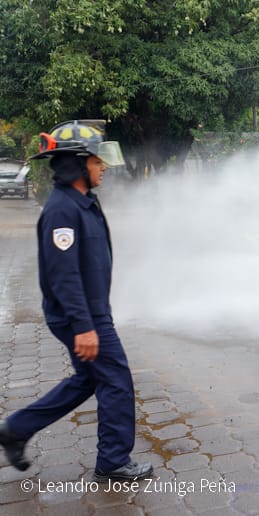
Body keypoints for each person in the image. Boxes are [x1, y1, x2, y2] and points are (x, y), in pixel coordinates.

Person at [0, 120, 153, 481]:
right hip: (81, 317)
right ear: (78, 163)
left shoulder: (81, 201)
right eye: (97, 161)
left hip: (91, 312)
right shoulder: (62, 210)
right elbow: (64, 275)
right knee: (115, 380)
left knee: (89, 379)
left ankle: (15, 430)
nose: (103, 167)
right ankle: (114, 460)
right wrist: (85, 327)